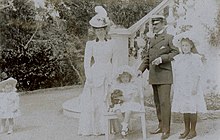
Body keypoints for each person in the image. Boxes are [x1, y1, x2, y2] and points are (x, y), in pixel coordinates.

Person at [137, 15, 179, 139]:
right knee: (158, 103)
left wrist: (162, 58)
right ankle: (161, 125)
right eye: (153, 24)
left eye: (156, 24)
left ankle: (166, 129)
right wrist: (140, 70)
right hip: (154, 75)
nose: (154, 26)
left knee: (165, 103)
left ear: (163, 24)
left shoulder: (169, 38)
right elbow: (147, 57)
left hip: (165, 75)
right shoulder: (151, 40)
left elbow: (176, 52)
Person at [78, 6, 115, 136]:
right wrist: (89, 77)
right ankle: (95, 128)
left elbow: (114, 61)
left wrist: (114, 75)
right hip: (96, 73)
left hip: (108, 71)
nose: (100, 32)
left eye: (102, 29)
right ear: (95, 31)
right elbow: (87, 62)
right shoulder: (91, 44)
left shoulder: (111, 43)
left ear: (106, 30)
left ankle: (106, 128)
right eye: (97, 30)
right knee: (95, 101)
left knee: (106, 99)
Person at [171, 32, 207, 139]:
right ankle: (186, 129)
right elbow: (177, 74)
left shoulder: (195, 58)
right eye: (183, 45)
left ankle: (193, 130)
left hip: (192, 86)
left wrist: (195, 86)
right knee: (185, 107)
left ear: (191, 46)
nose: (185, 47)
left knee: (192, 107)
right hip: (182, 87)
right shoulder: (178, 59)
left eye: (187, 45)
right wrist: (176, 87)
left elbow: (198, 74)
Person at [108, 65, 142, 137]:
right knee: (117, 111)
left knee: (128, 110)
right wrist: (117, 97)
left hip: (129, 102)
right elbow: (115, 96)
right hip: (121, 104)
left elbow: (130, 98)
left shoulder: (131, 86)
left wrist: (122, 98)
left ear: (130, 77)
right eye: (123, 77)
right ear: (120, 78)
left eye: (127, 77)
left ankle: (123, 129)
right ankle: (124, 126)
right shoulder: (119, 86)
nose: (125, 78)